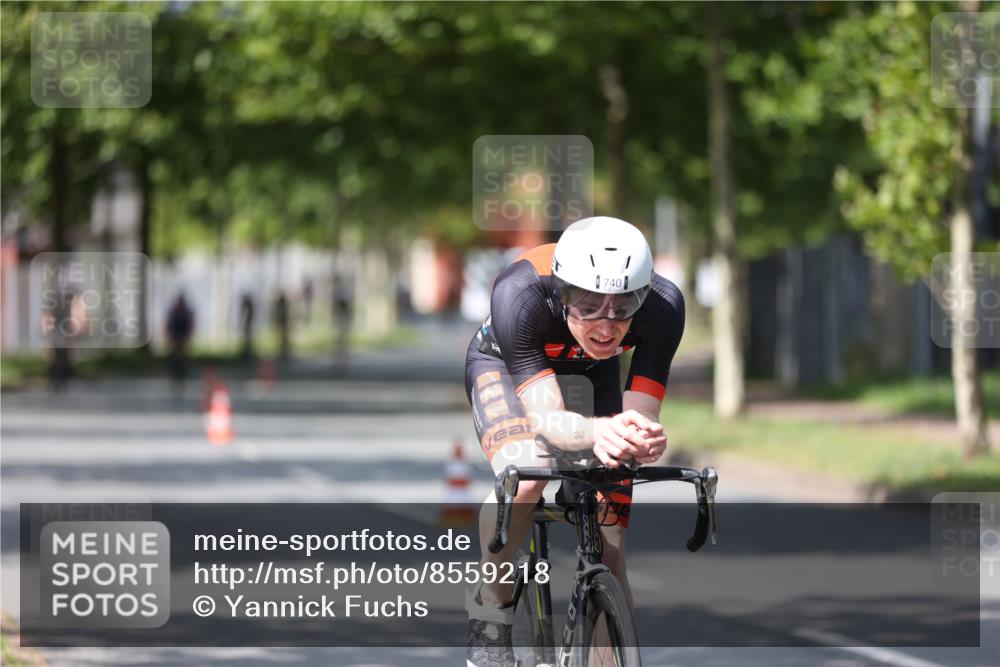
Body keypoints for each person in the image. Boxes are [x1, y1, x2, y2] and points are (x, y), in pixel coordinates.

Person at [463, 217, 685, 666]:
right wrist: (599, 430)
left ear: (642, 295)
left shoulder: (664, 306)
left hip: (594, 374)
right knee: (525, 475)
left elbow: (639, 415)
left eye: (623, 308)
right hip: (506, 367)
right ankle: (491, 617)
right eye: (587, 306)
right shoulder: (520, 293)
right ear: (562, 291)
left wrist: (638, 439)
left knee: (612, 544)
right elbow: (546, 418)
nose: (606, 326)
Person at [166, 293, 195, 395]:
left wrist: (189, 339)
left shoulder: (187, 313)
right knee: (174, 358)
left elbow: (190, 326)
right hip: (175, 338)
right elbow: (168, 326)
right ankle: (174, 375)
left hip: (183, 338)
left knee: (183, 358)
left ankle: (182, 376)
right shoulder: (173, 312)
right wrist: (169, 339)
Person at [239, 293, 256, 360]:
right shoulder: (249, 307)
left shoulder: (250, 307)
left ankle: (247, 353)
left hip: (248, 325)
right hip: (247, 326)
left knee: (247, 337)